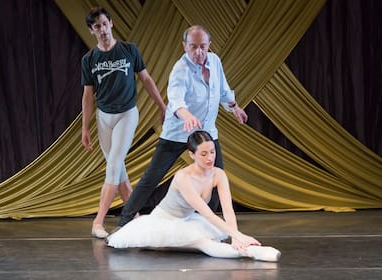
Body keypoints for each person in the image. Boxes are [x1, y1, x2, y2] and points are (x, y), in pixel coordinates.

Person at [118, 25, 248, 227]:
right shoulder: (181, 69)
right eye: (193, 46)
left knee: (214, 176)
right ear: (184, 46)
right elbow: (176, 100)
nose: (198, 52)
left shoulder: (215, 62)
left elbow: (223, 89)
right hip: (178, 133)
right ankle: (125, 221)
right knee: (151, 178)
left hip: (206, 135)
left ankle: (206, 223)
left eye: (203, 46)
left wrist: (235, 107)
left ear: (209, 45)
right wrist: (187, 116)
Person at [108, 131, 281, 261]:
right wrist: (240, 238)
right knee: (201, 243)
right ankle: (251, 252)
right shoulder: (183, 177)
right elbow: (207, 214)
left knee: (209, 239)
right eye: (203, 154)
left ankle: (242, 248)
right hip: (164, 222)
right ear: (192, 155)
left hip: (188, 220)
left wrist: (237, 235)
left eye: (212, 152)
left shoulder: (218, 174)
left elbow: (228, 210)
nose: (210, 158)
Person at [81, 7, 166, 238]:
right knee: (119, 173)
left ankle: (98, 222)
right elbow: (88, 95)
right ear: (91, 31)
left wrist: (162, 105)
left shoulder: (129, 50)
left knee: (114, 165)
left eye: (104, 24)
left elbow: (146, 79)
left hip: (127, 114)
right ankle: (135, 218)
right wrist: (85, 127)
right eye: (96, 26)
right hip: (104, 118)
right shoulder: (89, 60)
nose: (102, 29)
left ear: (111, 23)